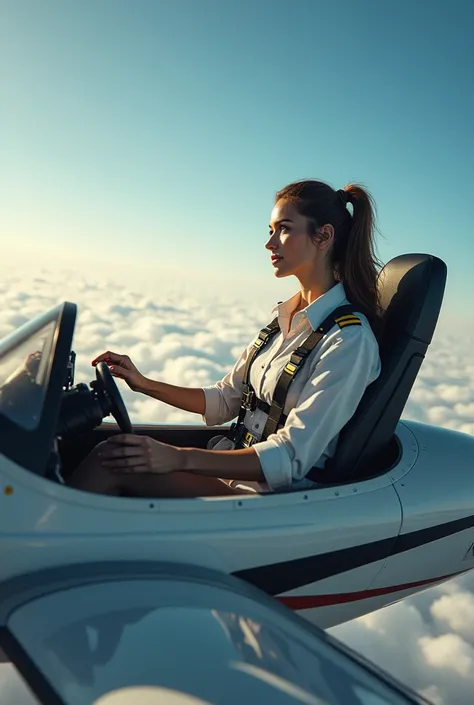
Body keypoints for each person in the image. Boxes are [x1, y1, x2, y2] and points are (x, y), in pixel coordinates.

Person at [68, 180, 382, 498]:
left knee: (109, 461)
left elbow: (290, 457)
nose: (269, 243)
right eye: (270, 230)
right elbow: (224, 400)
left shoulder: (348, 342)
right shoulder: (282, 320)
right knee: (111, 453)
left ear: (323, 236)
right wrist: (144, 383)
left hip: (270, 502)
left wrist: (178, 458)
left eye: (283, 229)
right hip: (232, 482)